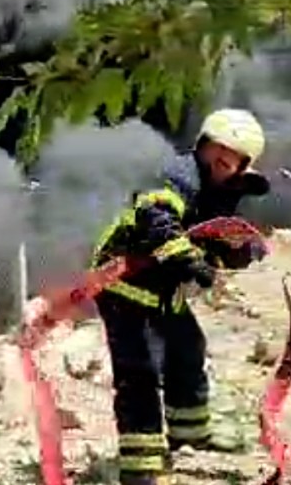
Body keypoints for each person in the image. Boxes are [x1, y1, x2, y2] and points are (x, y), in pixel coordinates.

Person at [89, 109, 272, 485]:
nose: (223, 167)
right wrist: (194, 264)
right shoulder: (176, 177)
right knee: (140, 373)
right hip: (124, 288)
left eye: (231, 163)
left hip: (161, 290)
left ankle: (189, 432)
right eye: (217, 158)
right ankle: (140, 468)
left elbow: (211, 236)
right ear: (203, 148)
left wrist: (237, 251)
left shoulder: (217, 194)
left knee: (188, 348)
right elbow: (161, 229)